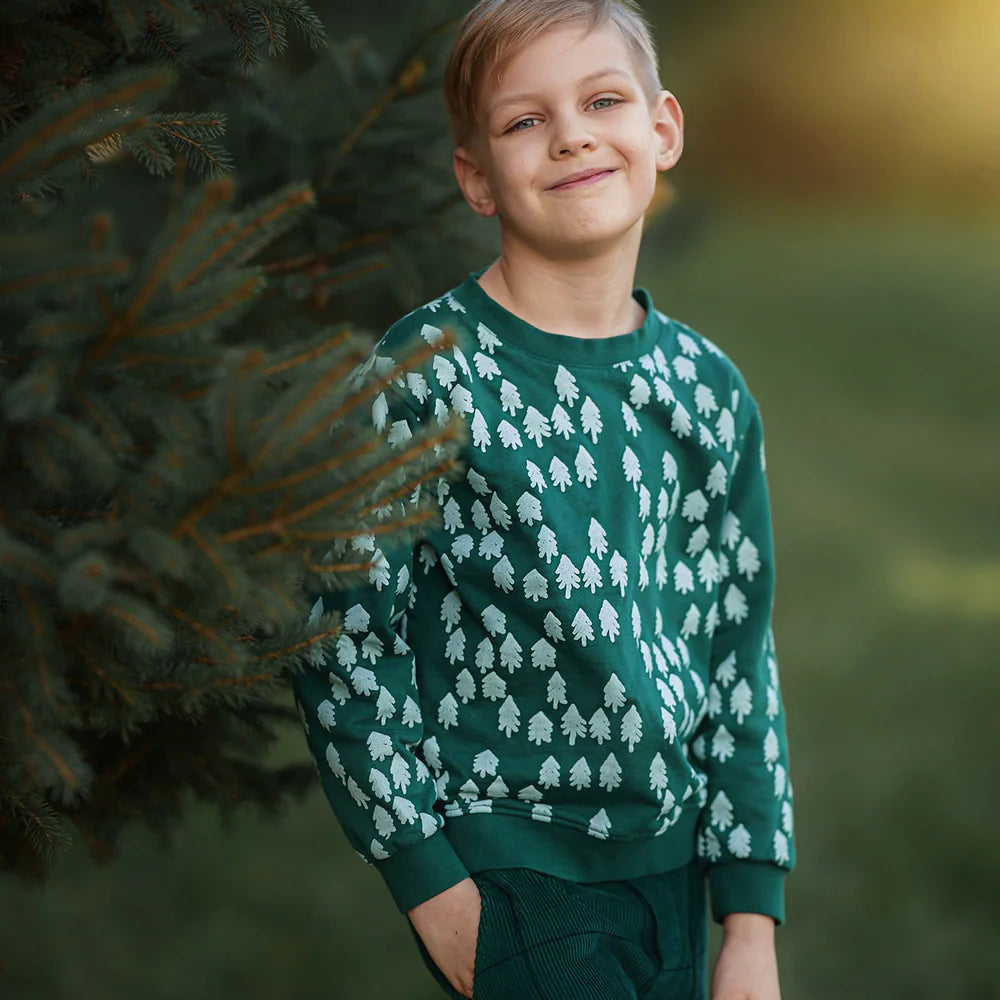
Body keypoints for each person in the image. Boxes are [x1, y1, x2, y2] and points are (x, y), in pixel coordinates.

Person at [291, 1, 795, 997]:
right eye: (524, 119)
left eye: (601, 99)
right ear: (475, 176)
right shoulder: (426, 376)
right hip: (517, 872)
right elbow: (338, 638)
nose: (568, 133)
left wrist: (749, 916)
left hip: (676, 868)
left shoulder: (706, 391)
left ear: (661, 129)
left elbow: (739, 656)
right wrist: (432, 883)